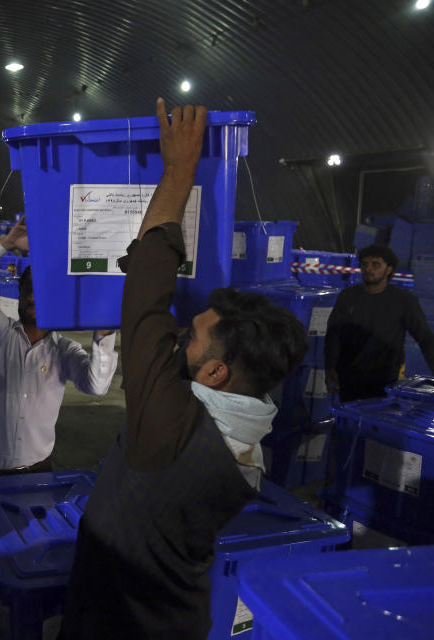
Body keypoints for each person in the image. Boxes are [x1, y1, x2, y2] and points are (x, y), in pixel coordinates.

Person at [61, 100, 308, 639]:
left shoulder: (169, 430)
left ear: (217, 373)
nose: (176, 335)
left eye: (190, 336)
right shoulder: (249, 437)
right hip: (178, 618)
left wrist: (178, 171)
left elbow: (148, 287)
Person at [0, 218, 118, 476]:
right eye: (26, 290)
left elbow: (96, 386)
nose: (30, 297)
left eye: (39, 292)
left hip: (38, 472)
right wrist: (6, 244)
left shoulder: (65, 351)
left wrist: (104, 332)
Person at [325, 244, 434, 402]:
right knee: (349, 422)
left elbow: (425, 339)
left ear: (388, 269)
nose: (369, 268)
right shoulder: (347, 296)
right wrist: (330, 367)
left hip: (386, 381)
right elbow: (333, 334)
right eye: (365, 264)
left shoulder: (404, 301)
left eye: (376, 264)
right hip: (349, 378)